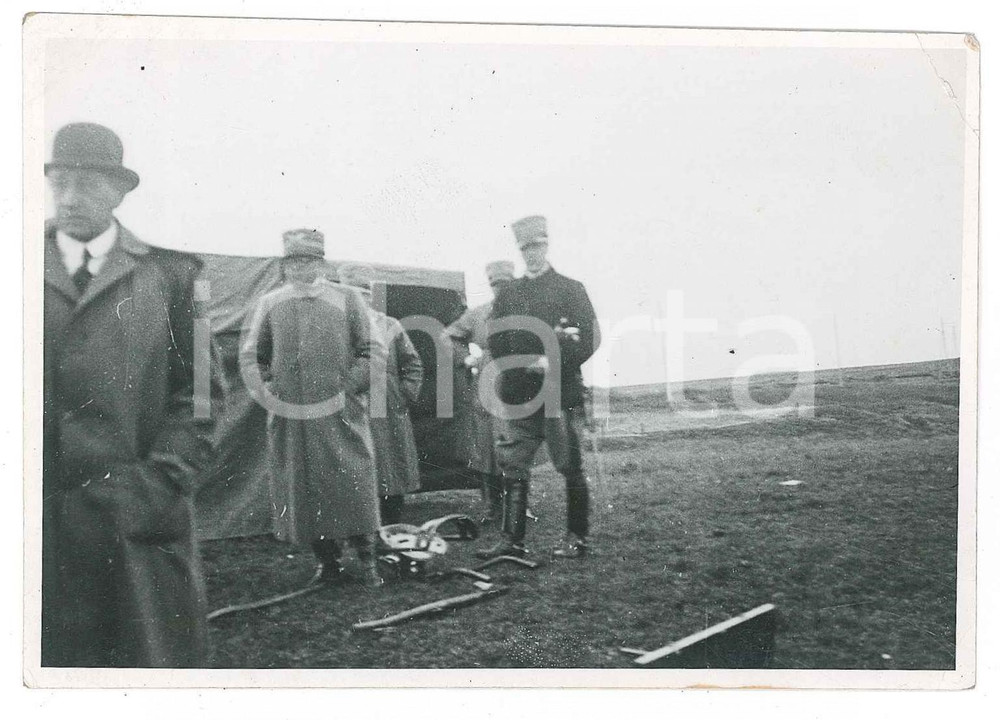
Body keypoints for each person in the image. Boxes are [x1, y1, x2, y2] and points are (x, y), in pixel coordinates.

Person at [42, 123, 214, 667]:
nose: (70, 199)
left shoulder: (173, 276)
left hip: (136, 522)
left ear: (119, 192)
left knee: (143, 667)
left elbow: (204, 396)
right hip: (32, 527)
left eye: (87, 185)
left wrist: (157, 484)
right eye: (60, 182)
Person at [240, 230, 385, 587]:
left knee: (354, 483)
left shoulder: (348, 299)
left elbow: (374, 351)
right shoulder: (270, 303)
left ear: (321, 263)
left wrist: (349, 388)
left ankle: (367, 560)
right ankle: (328, 562)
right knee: (304, 490)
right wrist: (270, 392)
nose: (299, 268)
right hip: (292, 419)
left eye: (307, 261)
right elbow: (250, 356)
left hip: (340, 413)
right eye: (292, 262)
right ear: (284, 266)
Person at [477, 215, 601, 560]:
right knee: (513, 464)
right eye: (525, 248)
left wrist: (553, 362)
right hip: (518, 394)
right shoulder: (510, 294)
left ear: (547, 245)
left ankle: (576, 537)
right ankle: (511, 541)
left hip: (558, 394)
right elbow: (496, 342)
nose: (532, 253)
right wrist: (523, 363)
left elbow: (591, 338)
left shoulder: (571, 289)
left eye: (537, 246)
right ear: (519, 251)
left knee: (569, 465)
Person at [338, 264, 424, 525]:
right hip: (349, 403)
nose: (359, 300)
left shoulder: (389, 325)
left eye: (364, 294)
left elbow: (413, 363)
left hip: (387, 406)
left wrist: (403, 394)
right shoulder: (336, 325)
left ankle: (392, 526)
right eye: (353, 294)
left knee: (391, 467)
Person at [443, 260, 516, 523]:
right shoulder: (480, 313)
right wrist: (466, 359)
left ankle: (518, 504)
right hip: (488, 381)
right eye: (495, 284)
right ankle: (492, 505)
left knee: (517, 443)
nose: (500, 289)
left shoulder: (527, 311)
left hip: (520, 381)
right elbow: (449, 336)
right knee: (487, 446)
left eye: (505, 284)